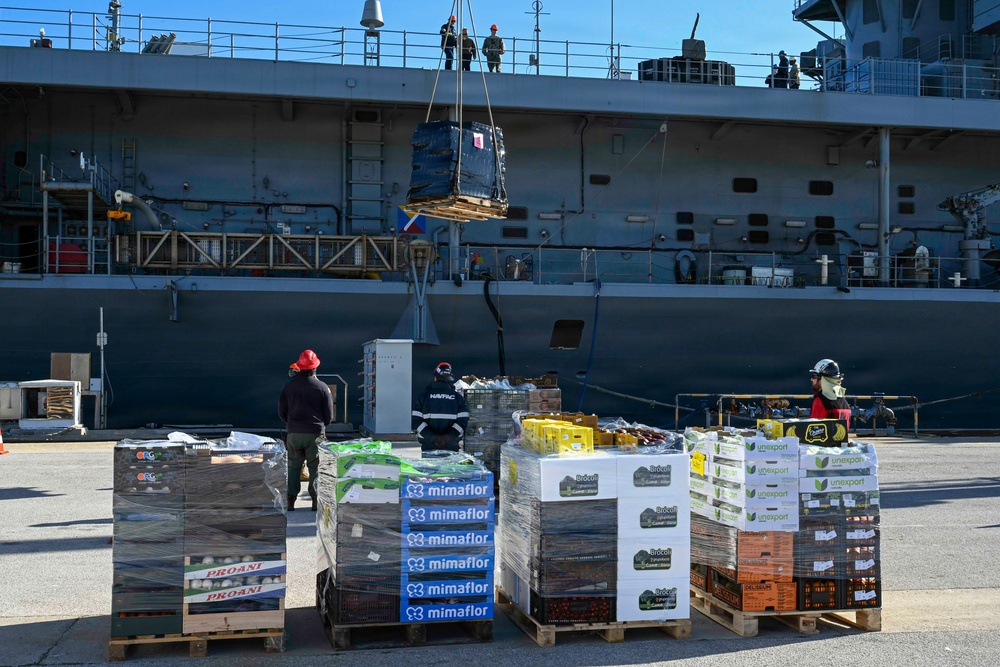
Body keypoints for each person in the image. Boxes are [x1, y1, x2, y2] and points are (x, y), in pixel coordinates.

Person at [278, 349, 333, 511]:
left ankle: (290, 501)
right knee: (315, 467)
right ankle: (316, 501)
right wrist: (321, 426)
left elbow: (282, 412)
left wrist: (292, 424)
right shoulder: (322, 387)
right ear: (315, 367)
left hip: (294, 433)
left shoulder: (288, 387)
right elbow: (328, 415)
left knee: (294, 466)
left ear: (300, 367)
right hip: (315, 433)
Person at [411, 362, 470, 455]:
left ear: (435, 377)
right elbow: (462, 421)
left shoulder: (423, 397)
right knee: (450, 469)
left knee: (429, 469)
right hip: (451, 446)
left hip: (428, 445)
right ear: (449, 378)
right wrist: (446, 439)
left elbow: (417, 421)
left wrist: (434, 438)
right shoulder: (459, 399)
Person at [809, 359, 851, 428]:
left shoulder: (820, 401)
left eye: (814, 376)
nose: (812, 379)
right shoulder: (844, 402)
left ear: (822, 379)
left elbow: (813, 428)